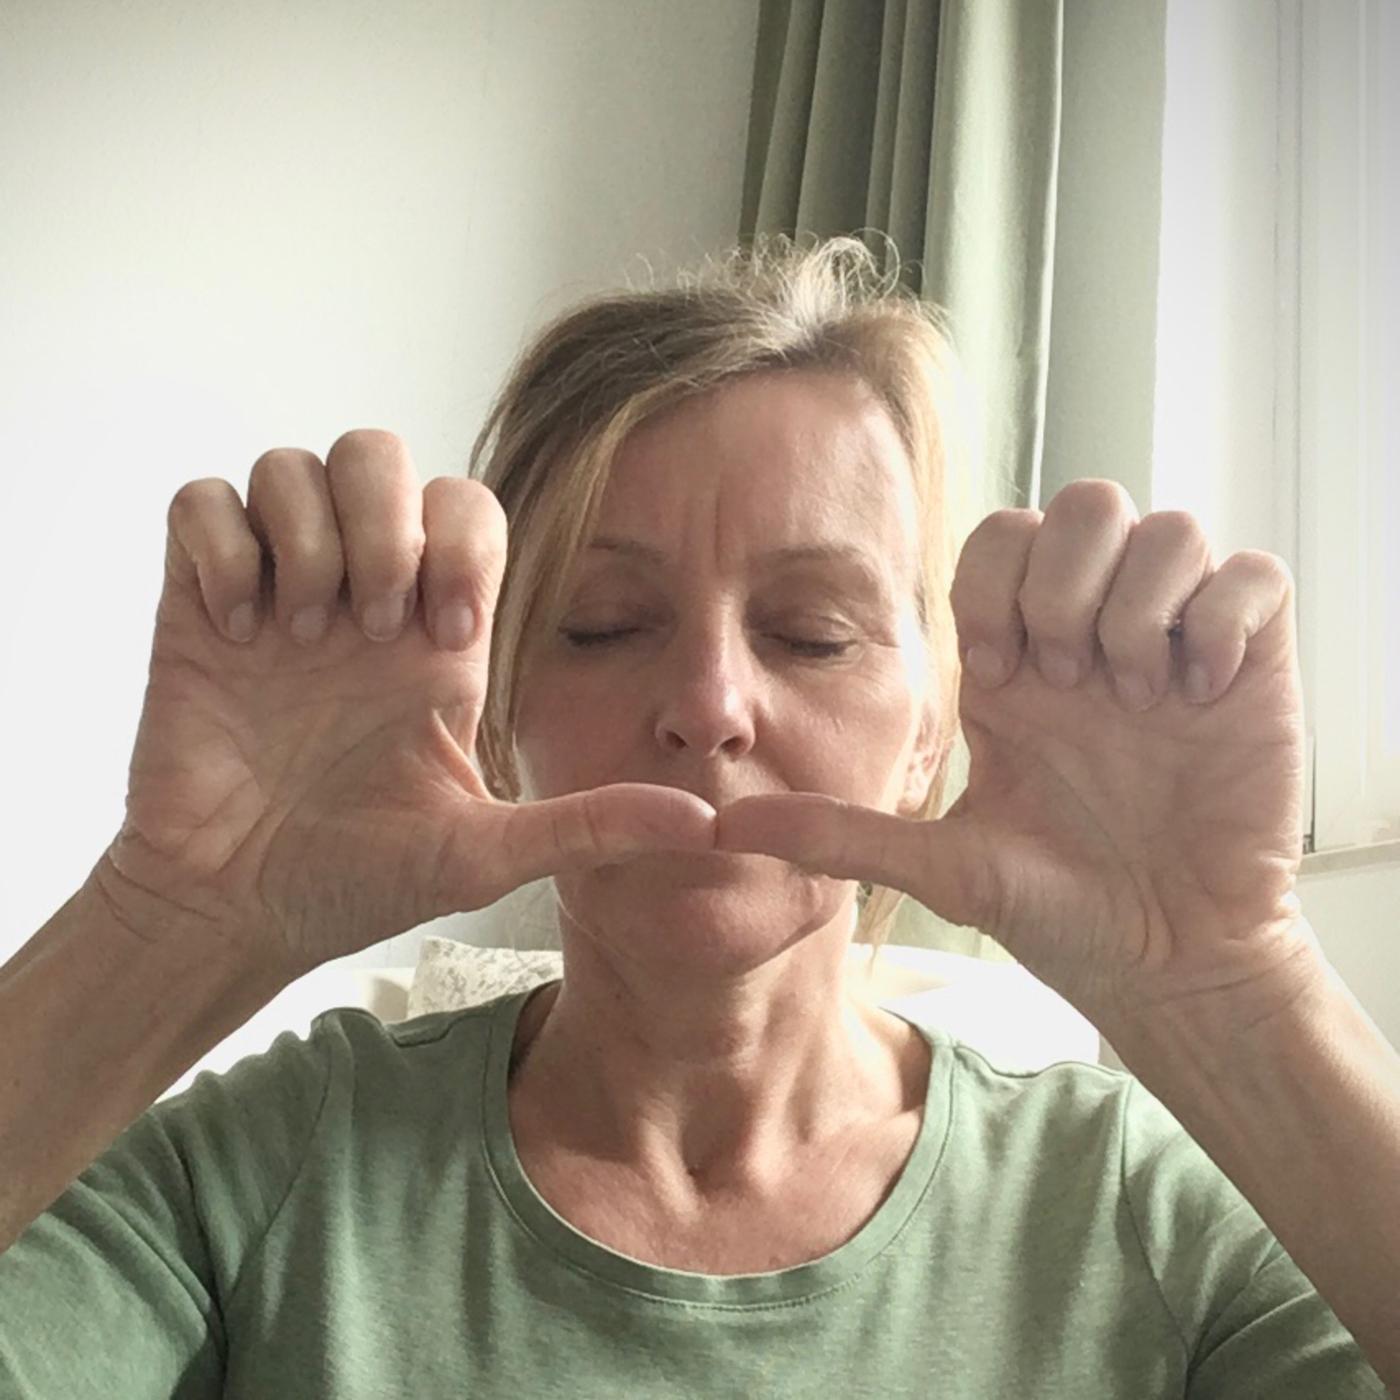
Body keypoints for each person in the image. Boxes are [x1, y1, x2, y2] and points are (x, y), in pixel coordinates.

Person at [0, 235, 1392, 1398]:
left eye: (814, 632)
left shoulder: (1145, 1213)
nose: (709, 705)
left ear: (930, 734)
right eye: (603, 624)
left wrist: (1232, 980)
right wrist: (177, 917)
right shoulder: (264, 1174)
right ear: (499, 712)